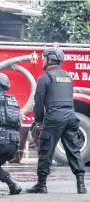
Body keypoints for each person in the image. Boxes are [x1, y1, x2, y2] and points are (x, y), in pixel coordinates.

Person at [26, 47, 87, 194]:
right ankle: (81, 185)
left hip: (54, 117)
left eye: (44, 58)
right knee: (73, 150)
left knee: (46, 151)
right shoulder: (67, 76)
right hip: (71, 117)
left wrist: (38, 121)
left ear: (49, 59)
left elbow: (39, 101)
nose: (42, 60)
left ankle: (41, 185)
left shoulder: (45, 78)